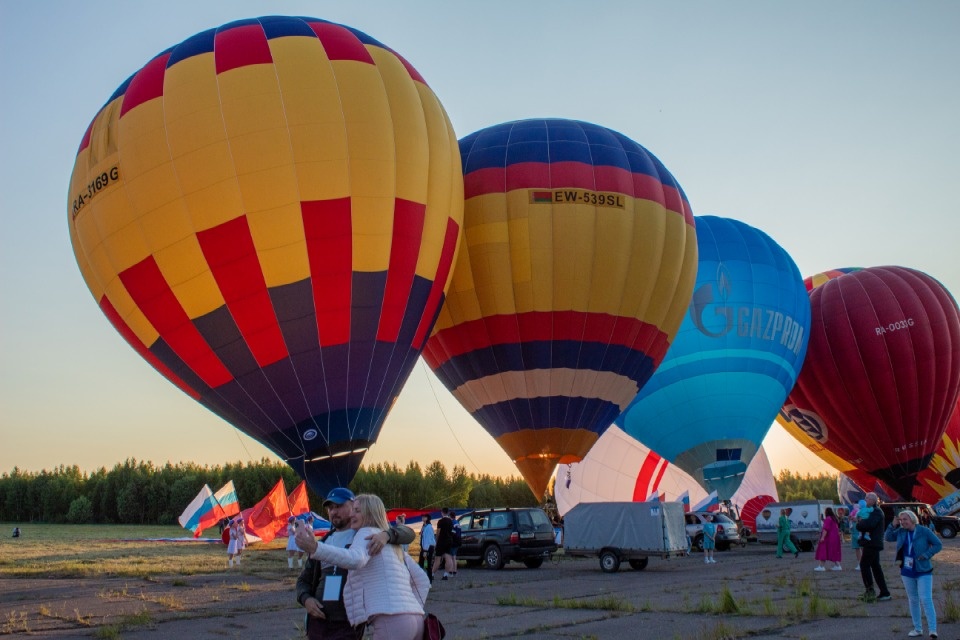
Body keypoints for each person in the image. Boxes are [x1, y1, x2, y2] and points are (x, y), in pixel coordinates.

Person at [297, 494, 430, 640]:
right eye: (330, 508)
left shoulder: (367, 534)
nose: (334, 511)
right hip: (414, 620)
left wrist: (316, 548)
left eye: (340, 506)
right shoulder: (385, 541)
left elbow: (356, 559)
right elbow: (423, 580)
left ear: (368, 512)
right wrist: (410, 609)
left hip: (367, 622)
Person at [886, 509, 942, 638]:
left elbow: (938, 544)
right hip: (907, 570)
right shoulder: (901, 531)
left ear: (912, 519)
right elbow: (888, 537)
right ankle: (918, 628)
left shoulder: (924, 531)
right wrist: (892, 525)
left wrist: (927, 554)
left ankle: (932, 630)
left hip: (923, 570)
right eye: (901, 520)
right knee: (913, 599)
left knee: (926, 599)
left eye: (905, 519)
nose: (902, 522)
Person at [856, 492, 891, 602]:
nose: (865, 500)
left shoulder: (876, 512)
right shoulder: (873, 511)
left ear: (873, 500)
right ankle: (884, 592)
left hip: (872, 543)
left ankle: (870, 591)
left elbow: (868, 525)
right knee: (876, 567)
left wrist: (859, 523)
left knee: (864, 565)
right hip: (872, 543)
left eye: (867, 498)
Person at [433, 507, 455, 580]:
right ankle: (445, 575)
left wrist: (436, 541)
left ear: (442, 512)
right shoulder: (450, 521)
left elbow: (438, 532)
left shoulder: (440, 521)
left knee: (437, 558)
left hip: (441, 541)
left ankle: (432, 574)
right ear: (448, 512)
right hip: (449, 541)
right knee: (448, 557)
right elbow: (452, 531)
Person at [419, 514, 436, 583]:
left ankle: (429, 581)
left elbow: (428, 539)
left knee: (427, 564)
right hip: (425, 547)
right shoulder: (424, 526)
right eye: (422, 517)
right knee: (422, 564)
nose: (422, 518)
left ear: (427, 518)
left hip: (428, 548)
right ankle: (424, 580)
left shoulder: (428, 527)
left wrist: (425, 550)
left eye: (424, 517)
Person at [449, 511, 461, 577]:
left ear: (450, 516)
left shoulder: (452, 523)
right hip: (458, 540)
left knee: (451, 556)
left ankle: (451, 571)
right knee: (454, 556)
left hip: (453, 540)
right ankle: (455, 570)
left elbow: (452, 532)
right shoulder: (457, 522)